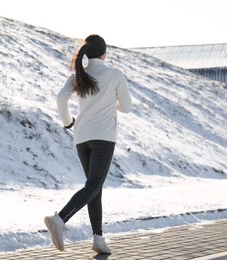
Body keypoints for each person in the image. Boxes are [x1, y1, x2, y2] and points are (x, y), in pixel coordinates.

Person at [44, 34, 132, 254]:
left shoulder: (79, 75)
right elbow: (127, 107)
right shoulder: (114, 75)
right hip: (103, 138)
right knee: (93, 185)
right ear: (104, 53)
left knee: (94, 187)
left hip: (81, 138)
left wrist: (67, 123)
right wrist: (111, 100)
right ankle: (60, 219)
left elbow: (60, 99)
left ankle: (98, 239)